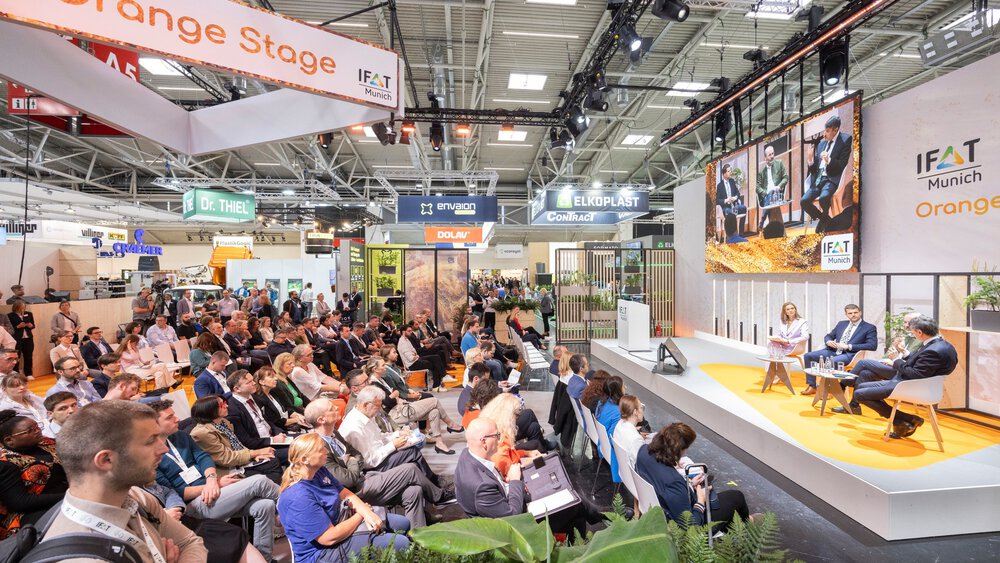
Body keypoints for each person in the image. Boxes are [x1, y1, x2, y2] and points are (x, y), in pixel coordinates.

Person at [42, 401, 209, 560]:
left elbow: (191, 542)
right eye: (151, 441)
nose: (163, 449)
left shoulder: (136, 496)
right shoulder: (83, 557)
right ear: (106, 460)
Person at [147, 399, 278, 562]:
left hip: (212, 490)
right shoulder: (150, 455)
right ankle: (296, 504)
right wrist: (214, 485)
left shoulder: (180, 436)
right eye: (170, 417)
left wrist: (211, 480)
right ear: (154, 424)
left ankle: (265, 558)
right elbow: (174, 492)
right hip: (195, 504)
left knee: (265, 505)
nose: (178, 419)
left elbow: (203, 457)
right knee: (259, 481)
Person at [305, 398, 452, 528]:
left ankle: (419, 537)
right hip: (353, 493)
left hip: (364, 477)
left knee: (414, 491)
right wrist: (353, 462)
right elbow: (348, 480)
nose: (337, 407)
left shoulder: (334, 433)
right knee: (410, 469)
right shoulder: (317, 447)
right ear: (321, 420)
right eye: (331, 408)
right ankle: (439, 497)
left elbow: (357, 455)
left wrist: (353, 461)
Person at [278, 433, 411, 563]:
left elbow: (345, 494)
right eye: (321, 449)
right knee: (401, 543)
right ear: (304, 460)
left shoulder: (319, 471)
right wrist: (361, 515)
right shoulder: (298, 496)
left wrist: (366, 512)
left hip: (341, 521)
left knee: (403, 523)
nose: (326, 451)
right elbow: (328, 538)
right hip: (321, 553)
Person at [852, 316, 958, 437]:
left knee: (859, 393)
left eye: (912, 332)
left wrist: (896, 359)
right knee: (861, 386)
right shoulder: (940, 344)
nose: (912, 334)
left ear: (919, 332)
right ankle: (901, 422)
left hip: (910, 386)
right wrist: (905, 353)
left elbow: (914, 374)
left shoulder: (933, 350)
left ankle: (909, 418)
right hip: (915, 383)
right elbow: (920, 364)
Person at [636, 422, 752, 532]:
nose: (685, 453)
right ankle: (748, 528)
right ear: (678, 449)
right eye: (685, 449)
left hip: (661, 510)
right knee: (737, 497)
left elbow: (664, 490)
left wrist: (690, 485)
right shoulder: (673, 481)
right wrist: (701, 499)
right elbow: (691, 526)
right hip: (685, 526)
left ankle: (736, 529)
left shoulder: (643, 452)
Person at [339, 385, 441, 484]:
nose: (379, 410)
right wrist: (393, 445)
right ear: (366, 405)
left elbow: (379, 437)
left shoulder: (366, 415)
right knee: (411, 452)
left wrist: (397, 434)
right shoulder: (354, 428)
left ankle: (429, 484)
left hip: (379, 456)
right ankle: (435, 482)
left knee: (412, 451)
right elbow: (369, 461)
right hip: (371, 468)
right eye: (377, 406)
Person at [364, 357, 463, 454]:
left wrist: (394, 395)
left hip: (401, 407)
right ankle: (450, 424)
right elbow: (389, 402)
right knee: (434, 401)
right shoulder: (374, 384)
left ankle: (439, 443)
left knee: (434, 412)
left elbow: (394, 394)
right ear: (375, 369)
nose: (385, 367)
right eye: (383, 365)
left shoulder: (381, 379)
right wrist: (394, 395)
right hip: (395, 414)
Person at [0, 409, 68, 539]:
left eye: (37, 426)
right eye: (30, 430)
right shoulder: (5, 463)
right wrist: (67, 496)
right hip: (32, 513)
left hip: (66, 495)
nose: (38, 430)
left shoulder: (45, 442)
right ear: (9, 441)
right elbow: (20, 502)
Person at [189, 395, 283, 484]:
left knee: (272, 461)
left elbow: (237, 446)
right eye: (222, 405)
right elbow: (225, 458)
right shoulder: (202, 433)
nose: (227, 405)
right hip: (228, 469)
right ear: (210, 410)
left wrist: (253, 456)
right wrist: (255, 453)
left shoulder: (223, 422)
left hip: (240, 460)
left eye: (225, 402)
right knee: (263, 478)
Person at [801, 304, 877, 395]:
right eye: (850, 313)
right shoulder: (842, 324)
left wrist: (849, 346)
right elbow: (829, 336)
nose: (853, 315)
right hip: (833, 351)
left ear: (860, 313)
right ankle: (812, 386)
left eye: (855, 312)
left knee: (832, 361)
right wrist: (828, 341)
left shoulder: (869, 327)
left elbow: (872, 345)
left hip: (849, 355)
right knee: (808, 356)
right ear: (846, 314)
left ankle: (828, 390)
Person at [802, 114, 852, 232]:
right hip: (818, 180)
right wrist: (810, 160)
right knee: (804, 201)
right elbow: (814, 170)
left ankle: (824, 221)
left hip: (831, 179)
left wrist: (829, 160)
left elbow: (842, 165)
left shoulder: (845, 140)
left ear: (835, 130)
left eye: (828, 131)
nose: (824, 134)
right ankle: (826, 220)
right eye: (825, 130)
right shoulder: (821, 144)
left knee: (824, 198)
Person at [479, 393, 543, 473]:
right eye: (516, 415)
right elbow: (510, 472)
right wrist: (534, 460)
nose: (517, 418)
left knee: (534, 429)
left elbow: (509, 455)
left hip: (510, 467)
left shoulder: (490, 427)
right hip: (512, 478)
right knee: (541, 457)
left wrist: (527, 453)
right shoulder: (499, 440)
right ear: (508, 416)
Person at [226, 370, 288, 452]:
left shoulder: (255, 398)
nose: (254, 383)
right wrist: (272, 440)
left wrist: (278, 432)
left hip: (273, 438)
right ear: (237, 389)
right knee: (302, 450)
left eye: (253, 380)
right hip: (260, 448)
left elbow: (267, 421)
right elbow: (245, 441)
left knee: (304, 440)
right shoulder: (232, 409)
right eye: (249, 382)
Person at [397, 322, 447, 392]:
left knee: (436, 357)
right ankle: (437, 384)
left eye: (411, 331)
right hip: (412, 364)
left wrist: (415, 355)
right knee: (434, 363)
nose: (411, 332)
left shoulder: (406, 339)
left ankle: (442, 378)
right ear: (403, 332)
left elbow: (414, 351)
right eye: (409, 331)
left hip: (416, 360)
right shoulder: (402, 343)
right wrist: (415, 355)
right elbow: (411, 358)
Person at [595, 376, 626, 484]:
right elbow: (615, 437)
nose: (625, 387)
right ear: (618, 390)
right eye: (623, 386)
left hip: (602, 444)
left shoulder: (602, 403)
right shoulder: (618, 412)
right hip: (611, 451)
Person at [613, 395, 646, 468]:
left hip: (623, 471)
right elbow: (644, 463)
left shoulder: (619, 424)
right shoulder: (636, 440)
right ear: (635, 412)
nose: (642, 410)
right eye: (641, 407)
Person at [756, 144, 788, 211]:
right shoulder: (761, 171)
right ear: (765, 158)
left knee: (772, 192)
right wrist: (765, 193)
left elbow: (786, 177)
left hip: (777, 193)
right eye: (769, 155)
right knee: (769, 194)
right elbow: (757, 187)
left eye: (773, 153)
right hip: (766, 195)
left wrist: (779, 186)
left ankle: (762, 220)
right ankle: (763, 220)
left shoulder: (779, 163)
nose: (772, 156)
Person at [7, 300, 34, 378]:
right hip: (17, 339)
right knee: (16, 357)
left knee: (28, 356)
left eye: (24, 307)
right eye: (21, 307)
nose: (22, 308)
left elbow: (33, 325)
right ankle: (16, 373)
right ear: (16, 307)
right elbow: (9, 329)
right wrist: (18, 327)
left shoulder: (29, 314)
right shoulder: (10, 315)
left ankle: (29, 374)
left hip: (28, 338)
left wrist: (30, 325)